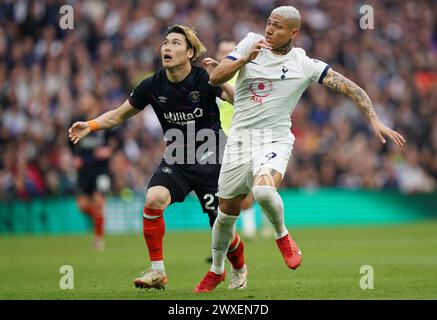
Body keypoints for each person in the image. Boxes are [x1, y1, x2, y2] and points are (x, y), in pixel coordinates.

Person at [193, 6, 406, 292]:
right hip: (239, 141)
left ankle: (282, 236)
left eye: (277, 26)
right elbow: (215, 77)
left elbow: (350, 88)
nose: (269, 30)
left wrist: (374, 119)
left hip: (274, 140)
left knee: (264, 190)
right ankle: (217, 270)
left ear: (293, 32)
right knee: (225, 212)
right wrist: (245, 57)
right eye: (269, 23)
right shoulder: (249, 42)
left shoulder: (303, 64)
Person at [68, 25, 248, 290]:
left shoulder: (204, 78)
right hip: (176, 159)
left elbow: (239, 103)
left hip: (212, 159)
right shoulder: (152, 85)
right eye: (165, 43)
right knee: (153, 199)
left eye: (175, 43)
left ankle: (239, 268)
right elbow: (118, 115)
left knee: (220, 228)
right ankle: (157, 272)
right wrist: (91, 125)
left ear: (189, 52)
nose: (167, 47)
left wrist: (220, 78)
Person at [70, 92, 114, 251]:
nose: (82, 101)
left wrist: (108, 151)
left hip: (100, 169)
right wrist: (73, 158)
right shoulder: (76, 121)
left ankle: (98, 239)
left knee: (99, 200)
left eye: (85, 98)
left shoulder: (103, 121)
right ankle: (99, 219)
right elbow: (72, 144)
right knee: (81, 205)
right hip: (84, 170)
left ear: (94, 101)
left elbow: (114, 144)